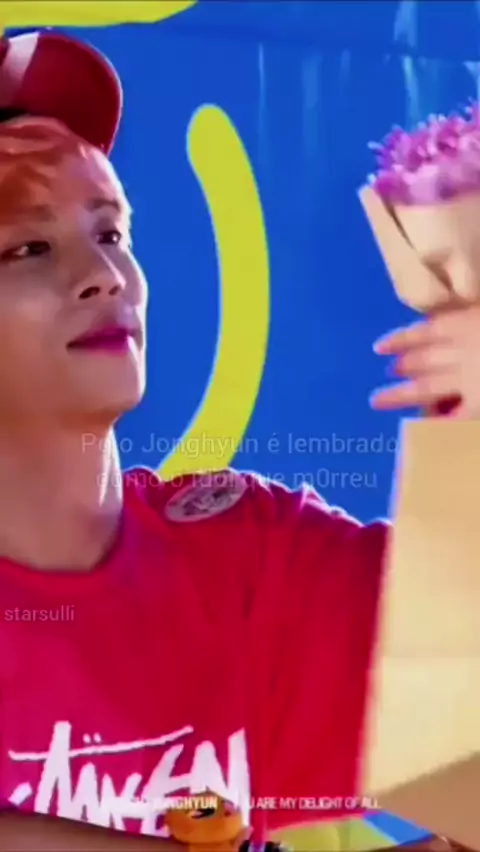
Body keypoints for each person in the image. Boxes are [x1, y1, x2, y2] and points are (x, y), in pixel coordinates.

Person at [0, 28, 479, 852]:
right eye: (28, 248)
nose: (106, 278)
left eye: (110, 233)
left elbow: (461, 745)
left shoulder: (241, 555)